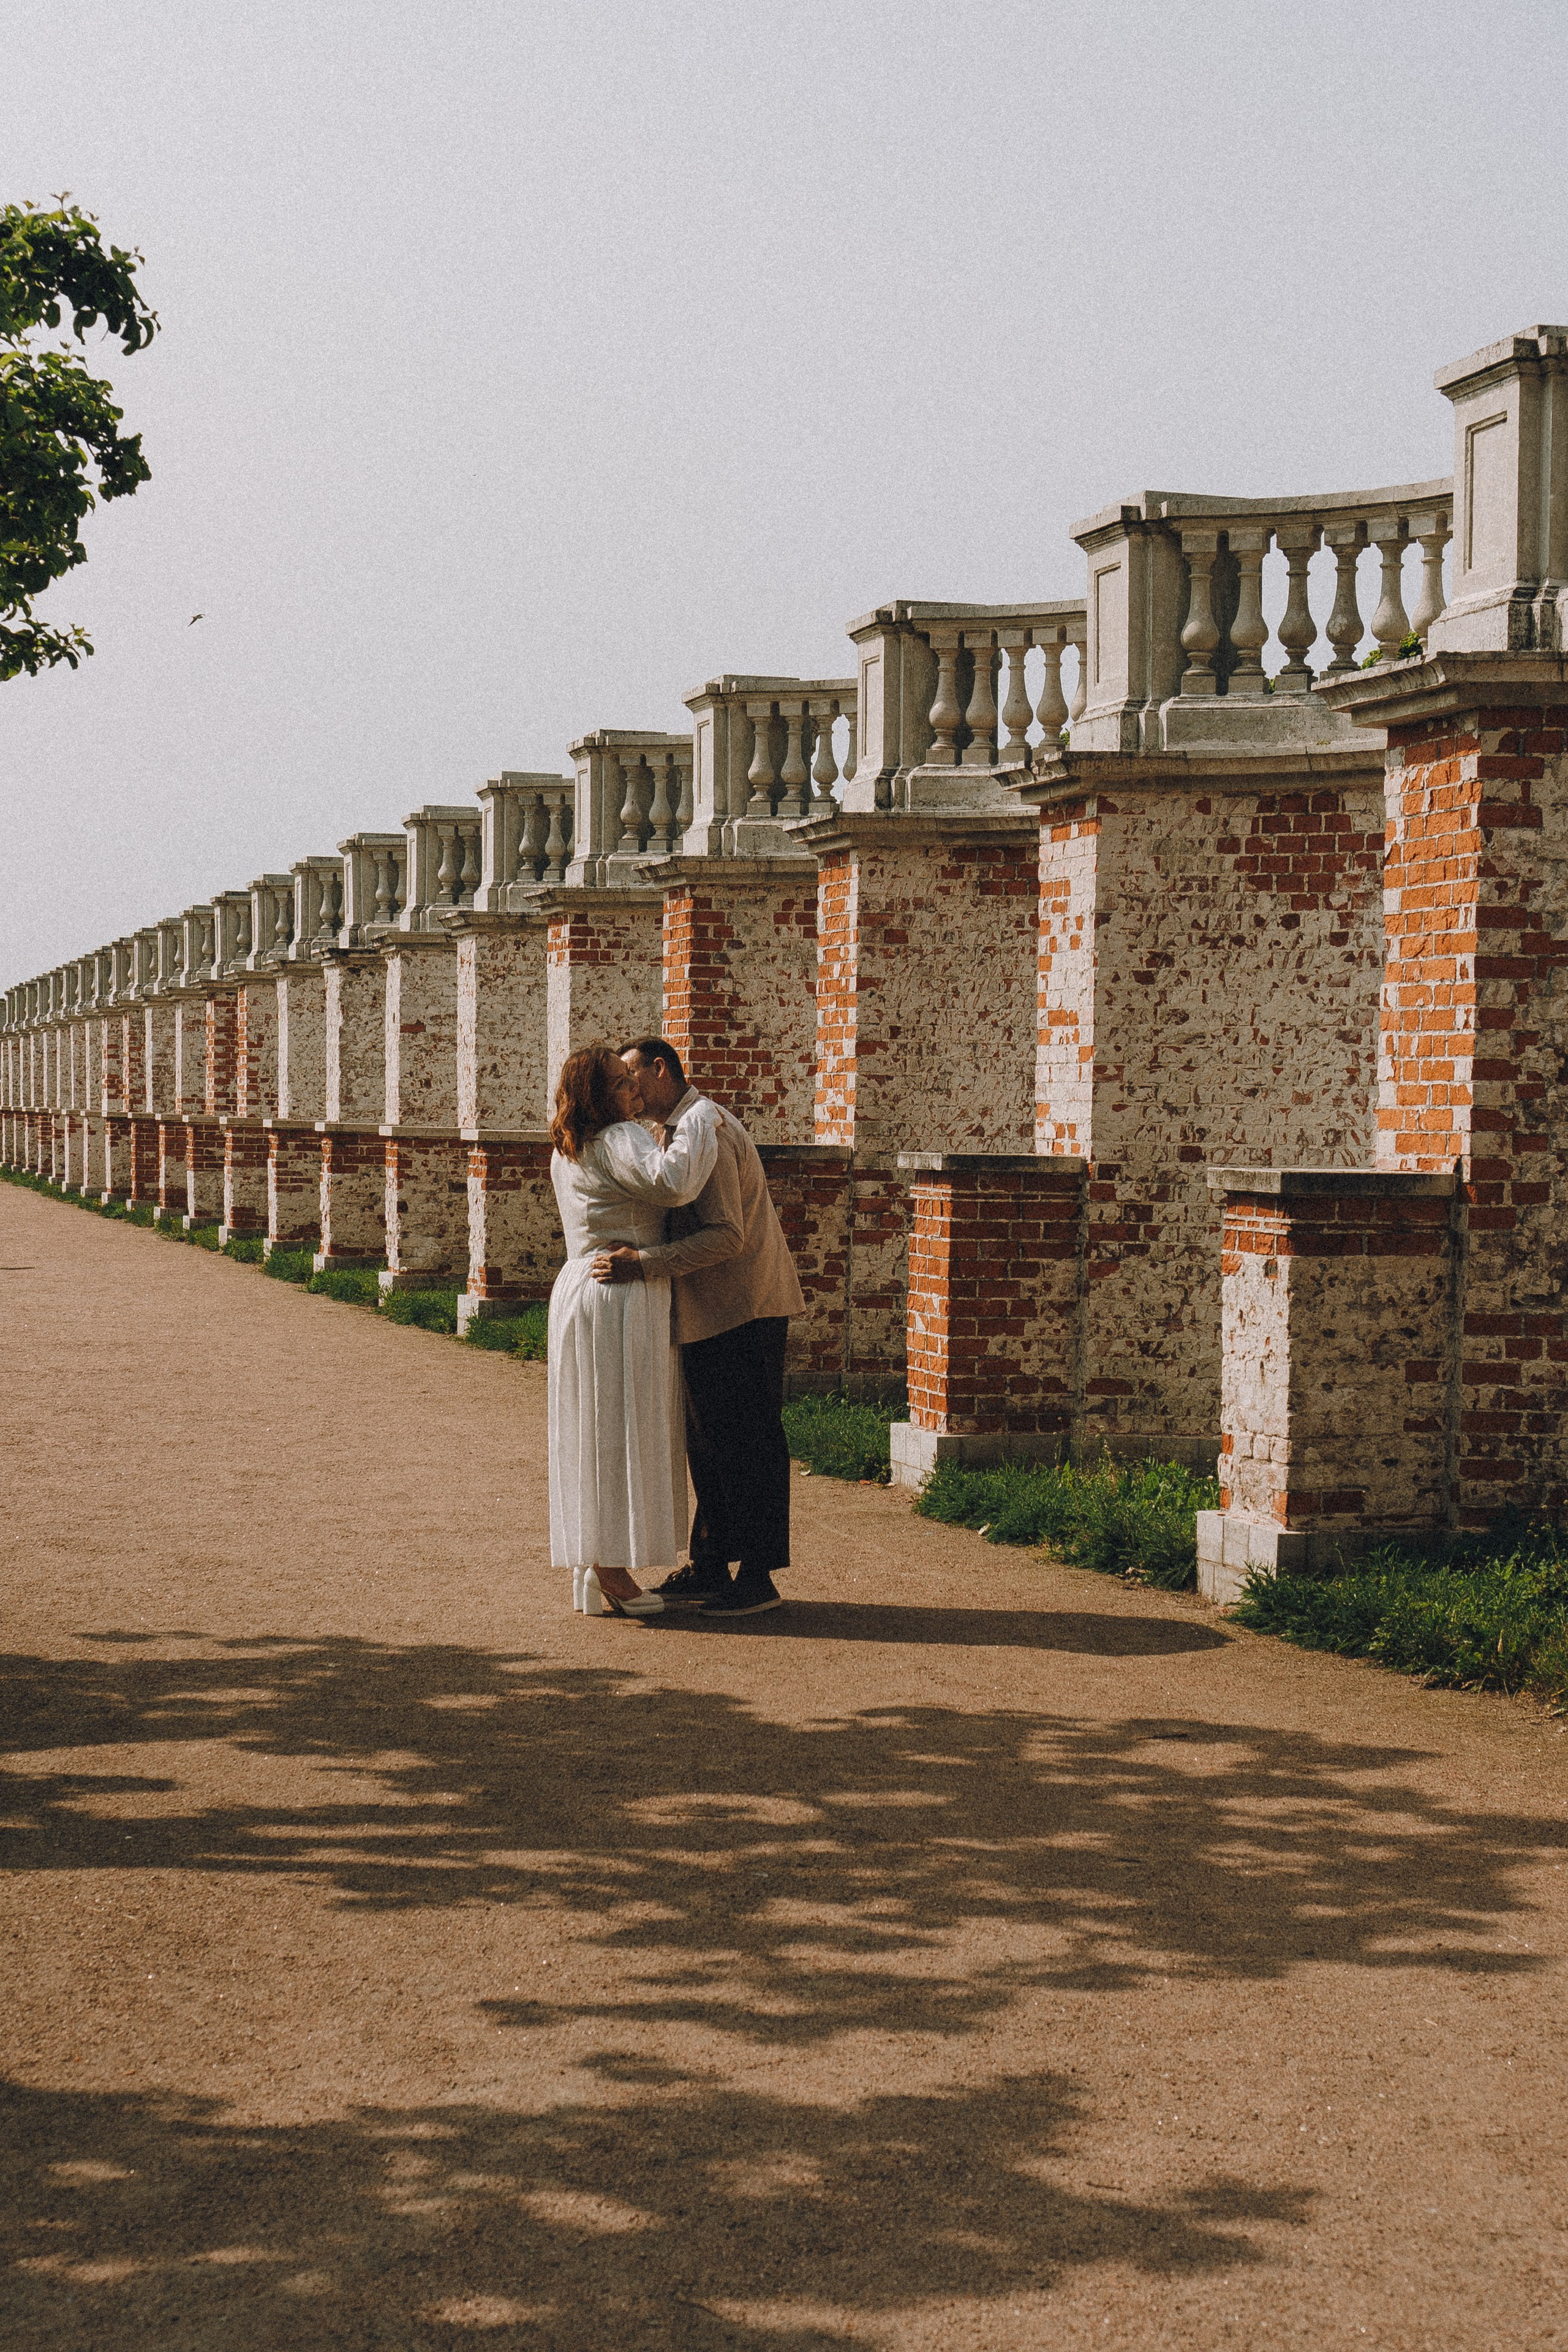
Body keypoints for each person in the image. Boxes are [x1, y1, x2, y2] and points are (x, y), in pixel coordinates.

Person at [592, 1038, 805, 1617]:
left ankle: (758, 1575)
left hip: (745, 1306)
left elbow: (726, 1235)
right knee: (708, 1442)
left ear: (662, 1070)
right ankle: (711, 1563)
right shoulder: (675, 1131)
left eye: (634, 1077)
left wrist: (644, 1264)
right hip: (709, 1310)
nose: (630, 1091)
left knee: (750, 1443)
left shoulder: (707, 1128)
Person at [547, 1042, 720, 1619]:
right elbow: (675, 1185)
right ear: (602, 1096)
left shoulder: (568, 1147)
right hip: (620, 1293)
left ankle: (590, 1563)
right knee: (621, 1425)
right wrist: (697, 1120)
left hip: (579, 1286)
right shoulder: (619, 1138)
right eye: (622, 1083)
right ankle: (610, 1571)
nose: (634, 1090)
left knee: (592, 1426)